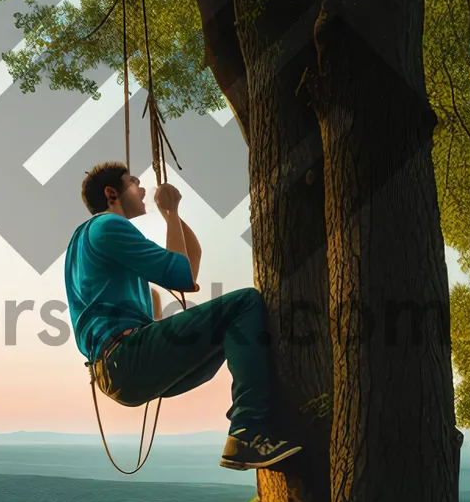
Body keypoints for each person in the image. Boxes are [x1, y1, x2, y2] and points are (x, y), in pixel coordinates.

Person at [65, 161, 302, 470]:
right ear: (112, 193)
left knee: (226, 331)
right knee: (245, 304)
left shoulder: (81, 242)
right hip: (126, 357)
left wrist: (171, 216)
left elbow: (190, 265)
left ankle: (249, 430)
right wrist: (171, 212)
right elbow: (182, 276)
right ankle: (248, 429)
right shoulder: (109, 225)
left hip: (115, 370)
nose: (143, 189)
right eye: (134, 182)